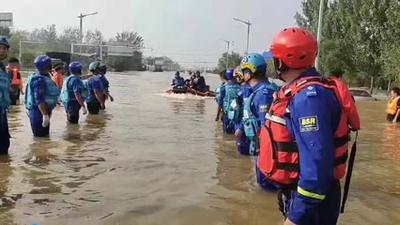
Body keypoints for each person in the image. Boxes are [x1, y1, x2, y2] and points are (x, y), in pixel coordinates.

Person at [258, 27, 360, 225]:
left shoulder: (308, 99)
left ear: (281, 62)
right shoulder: (303, 91)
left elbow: (316, 165)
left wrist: (295, 217)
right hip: (304, 195)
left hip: (312, 201)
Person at [235, 53, 278, 191]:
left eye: (244, 71)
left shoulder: (263, 94)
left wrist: (263, 152)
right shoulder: (258, 91)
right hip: (260, 148)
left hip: (266, 151)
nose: (243, 74)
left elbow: (265, 127)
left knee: (266, 187)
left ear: (249, 72)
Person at [25, 55, 60, 137]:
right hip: (38, 111)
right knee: (39, 138)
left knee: (45, 138)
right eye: (50, 64)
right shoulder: (39, 80)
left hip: (44, 110)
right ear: (47, 66)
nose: (52, 65)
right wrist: (44, 114)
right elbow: (39, 99)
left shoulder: (45, 77)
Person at [233, 67, 253, 155]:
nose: (236, 79)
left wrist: (240, 128)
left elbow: (246, 111)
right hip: (241, 122)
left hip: (243, 124)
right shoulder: (243, 88)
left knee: (243, 152)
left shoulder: (246, 89)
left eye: (237, 76)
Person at [217, 68, 241, 134]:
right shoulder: (240, 87)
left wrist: (217, 115)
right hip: (237, 115)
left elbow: (220, 103)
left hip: (226, 114)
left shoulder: (224, 87)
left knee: (226, 133)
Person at [0, 36, 11, 154]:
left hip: (2, 112)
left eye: (4, 48)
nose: (2, 50)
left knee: (4, 147)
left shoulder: (3, 69)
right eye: (0, 47)